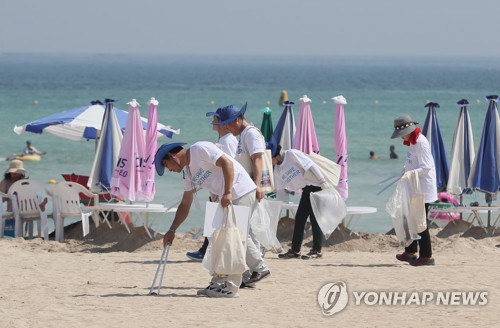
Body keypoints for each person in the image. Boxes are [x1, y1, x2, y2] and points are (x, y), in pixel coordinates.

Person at [156, 141, 258, 298]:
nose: (169, 170)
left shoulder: (199, 149)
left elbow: (227, 163)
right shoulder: (188, 173)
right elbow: (185, 204)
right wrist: (172, 230)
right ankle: (218, 282)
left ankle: (231, 288)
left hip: (240, 191)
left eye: (166, 164)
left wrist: (228, 192)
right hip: (224, 197)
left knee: (235, 240)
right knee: (217, 240)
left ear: (172, 156)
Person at [215, 102, 271, 286]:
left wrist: (258, 186)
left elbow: (257, 159)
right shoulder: (244, 134)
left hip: (251, 186)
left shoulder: (251, 133)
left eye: (230, 124)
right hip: (248, 185)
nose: (229, 129)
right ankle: (250, 273)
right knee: (246, 230)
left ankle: (258, 269)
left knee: (243, 230)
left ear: (238, 120)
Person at [186, 107, 239, 262]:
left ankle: (206, 251)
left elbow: (229, 164)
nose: (212, 122)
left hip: (223, 187)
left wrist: (226, 190)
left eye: (215, 119)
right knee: (213, 219)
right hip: (220, 186)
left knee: (215, 219)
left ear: (224, 123)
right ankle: (207, 250)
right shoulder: (225, 140)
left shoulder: (228, 140)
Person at [391, 114, 437, 266]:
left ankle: (427, 256)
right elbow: (412, 161)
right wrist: (405, 169)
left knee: (419, 221)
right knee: (408, 219)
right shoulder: (412, 142)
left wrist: (411, 173)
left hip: (422, 188)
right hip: (412, 185)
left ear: (408, 131)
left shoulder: (421, 142)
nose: (400, 138)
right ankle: (410, 252)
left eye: (401, 134)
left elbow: (427, 167)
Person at [272, 147, 328, 259]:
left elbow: (310, 164)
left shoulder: (291, 154)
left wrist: (323, 181)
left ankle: (317, 250)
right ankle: (295, 250)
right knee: (300, 218)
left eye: (270, 158)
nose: (269, 162)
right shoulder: (277, 170)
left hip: (317, 186)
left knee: (315, 218)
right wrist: (277, 208)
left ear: (277, 156)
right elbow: (279, 190)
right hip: (306, 190)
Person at [1, 160, 47, 236]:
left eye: (16, 172)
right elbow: (1, 199)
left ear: (21, 173)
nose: (14, 174)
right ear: (9, 172)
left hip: (27, 208)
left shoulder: (25, 182)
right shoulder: (5, 182)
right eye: (12, 172)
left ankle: (39, 206)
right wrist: (9, 196)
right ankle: (39, 206)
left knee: (35, 197)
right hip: (14, 209)